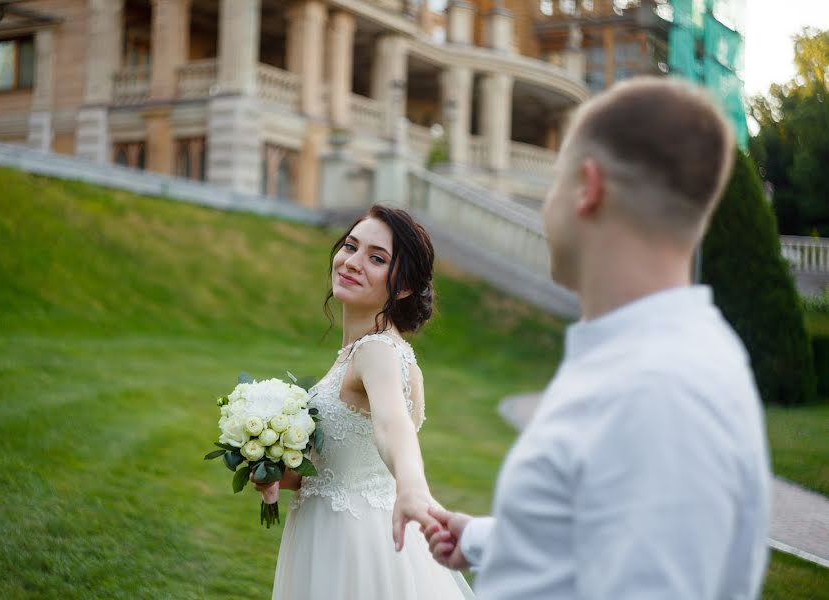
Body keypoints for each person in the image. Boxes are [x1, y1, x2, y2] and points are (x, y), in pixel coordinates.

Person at [424, 77, 772, 599]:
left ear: (588, 187)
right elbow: (600, 533)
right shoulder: (647, 358)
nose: (547, 204)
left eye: (556, 179)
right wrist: (482, 538)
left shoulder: (659, 390)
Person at [256, 205, 474, 599]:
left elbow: (393, 426)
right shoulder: (366, 351)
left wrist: (411, 485)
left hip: (354, 542)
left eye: (377, 258)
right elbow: (345, 465)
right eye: (350, 247)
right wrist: (282, 475)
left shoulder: (376, 351)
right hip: (326, 530)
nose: (353, 262)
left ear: (404, 286)